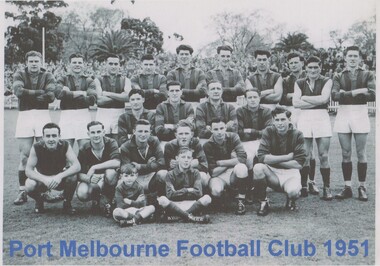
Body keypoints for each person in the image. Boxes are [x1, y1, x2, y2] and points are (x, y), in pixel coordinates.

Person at [331, 45, 376, 201]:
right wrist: (358, 91)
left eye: (355, 56)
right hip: (343, 113)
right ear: (345, 58)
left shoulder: (368, 74)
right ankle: (347, 186)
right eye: (349, 56)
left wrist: (346, 94)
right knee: (346, 153)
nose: (352, 58)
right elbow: (335, 96)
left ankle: (362, 187)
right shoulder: (338, 75)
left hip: (360, 113)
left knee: (361, 152)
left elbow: (373, 95)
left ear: (360, 58)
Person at [13, 51, 56, 205]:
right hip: (24, 115)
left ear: (41, 62)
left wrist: (28, 94)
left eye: (36, 61)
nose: (34, 64)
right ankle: (22, 191)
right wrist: (40, 93)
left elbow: (51, 96)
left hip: (43, 115)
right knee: (25, 155)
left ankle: (45, 191)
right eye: (31, 61)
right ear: (26, 62)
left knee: (44, 153)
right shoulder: (19, 74)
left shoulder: (48, 75)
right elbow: (18, 91)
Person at [253, 107, 306, 216]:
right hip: (273, 173)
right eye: (277, 120)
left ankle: (291, 199)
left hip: (291, 172)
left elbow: (299, 163)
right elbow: (262, 157)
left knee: (293, 192)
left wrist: (273, 160)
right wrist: (287, 157)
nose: (280, 123)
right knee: (258, 168)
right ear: (273, 121)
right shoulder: (268, 131)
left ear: (289, 119)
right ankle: (264, 201)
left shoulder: (298, 134)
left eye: (283, 119)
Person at [293, 56, 333, 200]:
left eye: (316, 67)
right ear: (306, 68)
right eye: (310, 67)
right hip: (305, 117)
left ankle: (326, 188)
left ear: (320, 68)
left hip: (322, 117)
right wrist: (315, 100)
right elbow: (295, 103)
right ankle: (304, 185)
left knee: (323, 155)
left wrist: (304, 98)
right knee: (305, 155)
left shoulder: (327, 80)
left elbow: (324, 99)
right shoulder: (299, 82)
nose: (313, 70)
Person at [24, 123, 80, 214]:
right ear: (43, 137)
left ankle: (67, 203)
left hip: (59, 179)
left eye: (54, 136)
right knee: (29, 184)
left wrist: (60, 176)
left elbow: (77, 166)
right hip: (42, 179)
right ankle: (39, 201)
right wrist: (44, 179)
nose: (51, 139)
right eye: (48, 136)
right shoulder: (36, 147)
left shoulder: (65, 145)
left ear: (59, 136)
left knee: (73, 177)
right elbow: (28, 170)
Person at [203, 118, 248, 215]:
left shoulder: (233, 137)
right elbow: (213, 172)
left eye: (221, 128)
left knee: (242, 168)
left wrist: (220, 163)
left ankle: (241, 201)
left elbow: (242, 159)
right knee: (216, 190)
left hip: (231, 172)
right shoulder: (207, 145)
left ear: (225, 128)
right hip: (218, 176)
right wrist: (231, 161)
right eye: (216, 129)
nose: (219, 132)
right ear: (210, 130)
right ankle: (226, 196)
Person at [76, 121, 120, 217]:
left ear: (103, 132)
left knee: (110, 173)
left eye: (98, 132)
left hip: (109, 177)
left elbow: (117, 162)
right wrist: (88, 178)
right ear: (88, 134)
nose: (96, 135)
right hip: (95, 180)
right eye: (93, 132)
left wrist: (94, 167)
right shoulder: (84, 148)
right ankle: (97, 200)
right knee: (82, 192)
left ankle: (108, 201)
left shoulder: (111, 142)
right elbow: (78, 172)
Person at [157, 147, 211, 224]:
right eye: (183, 157)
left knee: (207, 198)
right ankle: (192, 217)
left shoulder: (196, 172)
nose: (186, 160)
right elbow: (170, 195)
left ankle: (178, 217)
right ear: (177, 158)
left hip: (192, 204)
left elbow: (198, 193)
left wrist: (178, 192)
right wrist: (187, 190)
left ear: (191, 159)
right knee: (162, 199)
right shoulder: (170, 174)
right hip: (175, 205)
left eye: (188, 157)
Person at [55, 53, 97, 149]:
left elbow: (92, 99)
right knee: (65, 149)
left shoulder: (89, 80)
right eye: (74, 62)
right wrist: (82, 93)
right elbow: (58, 94)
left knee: (84, 149)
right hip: (66, 115)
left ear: (83, 65)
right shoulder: (63, 79)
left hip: (83, 115)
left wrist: (68, 94)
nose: (77, 64)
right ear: (69, 64)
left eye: (79, 62)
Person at [236, 89, 272, 193]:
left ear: (259, 98)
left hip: (262, 141)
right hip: (246, 142)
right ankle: (250, 187)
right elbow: (240, 132)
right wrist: (259, 132)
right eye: (249, 97)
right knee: (248, 158)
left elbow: (268, 131)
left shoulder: (267, 111)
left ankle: (261, 188)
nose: (252, 100)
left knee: (263, 157)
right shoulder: (240, 111)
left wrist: (251, 131)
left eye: (255, 97)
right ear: (246, 99)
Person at [120, 119, 166, 194]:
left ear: (150, 132)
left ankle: (159, 197)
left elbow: (162, 163)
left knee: (163, 173)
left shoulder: (154, 141)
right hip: (135, 178)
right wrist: (150, 165)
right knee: (122, 181)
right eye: (140, 131)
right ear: (134, 131)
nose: (143, 134)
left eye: (146, 131)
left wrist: (140, 166)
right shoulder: (125, 147)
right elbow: (127, 169)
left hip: (151, 176)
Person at [94, 54, 131, 140]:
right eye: (110, 64)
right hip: (103, 113)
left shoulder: (125, 80)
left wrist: (107, 94)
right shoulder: (98, 80)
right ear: (106, 65)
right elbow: (99, 100)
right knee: (103, 141)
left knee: (118, 142)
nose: (113, 66)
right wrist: (119, 96)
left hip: (119, 112)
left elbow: (127, 97)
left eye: (116, 64)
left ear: (119, 65)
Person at [163, 119, 209, 188]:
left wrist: (182, 164)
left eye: (186, 133)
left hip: (192, 176)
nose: (184, 137)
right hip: (176, 177)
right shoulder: (170, 146)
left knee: (203, 176)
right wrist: (191, 163)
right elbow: (167, 168)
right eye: (181, 134)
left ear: (192, 134)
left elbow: (204, 167)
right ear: (176, 135)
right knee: (163, 174)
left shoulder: (196, 143)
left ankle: (199, 195)